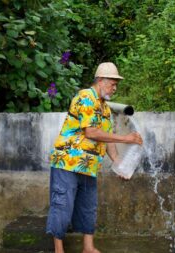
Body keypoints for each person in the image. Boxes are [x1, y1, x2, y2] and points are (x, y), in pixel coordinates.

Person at [46, 62, 143, 253]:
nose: (115, 88)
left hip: (89, 166)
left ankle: (88, 247)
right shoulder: (85, 97)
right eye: (112, 84)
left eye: (116, 84)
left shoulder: (106, 109)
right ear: (100, 80)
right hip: (67, 162)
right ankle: (58, 250)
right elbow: (91, 132)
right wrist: (125, 137)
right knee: (62, 205)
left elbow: (107, 141)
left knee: (88, 207)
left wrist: (119, 165)